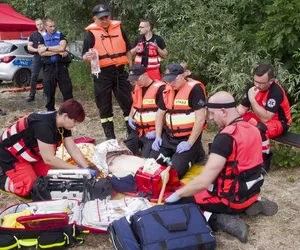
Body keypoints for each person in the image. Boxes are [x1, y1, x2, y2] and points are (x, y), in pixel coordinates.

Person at [165, 91, 278, 243]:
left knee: (182, 200)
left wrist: (179, 193)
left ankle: (219, 219)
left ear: (223, 111)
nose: (210, 118)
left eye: (212, 113)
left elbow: (204, 181)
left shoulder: (225, 138)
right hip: (251, 190)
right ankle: (252, 203)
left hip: (229, 199)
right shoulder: (254, 128)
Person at [0, 99, 95, 197]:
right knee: (31, 189)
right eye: (75, 121)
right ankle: (2, 179)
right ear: (65, 116)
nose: (75, 125)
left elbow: (73, 148)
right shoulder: (44, 125)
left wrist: (86, 167)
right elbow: (49, 159)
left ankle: (27, 171)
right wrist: (76, 170)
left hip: (33, 155)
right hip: (11, 155)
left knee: (48, 183)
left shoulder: (62, 124)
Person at [82, 3, 133, 140]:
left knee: (129, 104)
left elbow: (128, 50)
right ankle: (110, 140)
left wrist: (131, 69)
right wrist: (87, 58)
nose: (104, 21)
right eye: (101, 18)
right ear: (95, 19)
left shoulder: (119, 29)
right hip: (102, 74)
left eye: (106, 17)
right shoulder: (90, 35)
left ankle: (132, 138)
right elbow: (85, 57)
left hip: (120, 72)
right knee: (105, 107)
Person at [149, 64, 207, 179]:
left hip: (187, 138)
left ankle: (196, 152)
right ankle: (175, 155)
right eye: (168, 80)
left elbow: (200, 119)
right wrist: (158, 136)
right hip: (169, 137)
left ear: (182, 76)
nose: (171, 83)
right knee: (152, 165)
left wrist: (189, 143)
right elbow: (160, 114)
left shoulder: (195, 89)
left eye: (173, 80)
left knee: (176, 173)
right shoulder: (167, 90)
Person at [237, 64, 292, 138]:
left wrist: (252, 99)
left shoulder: (276, 91)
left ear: (271, 81)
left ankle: (264, 149)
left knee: (260, 129)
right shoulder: (252, 87)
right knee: (237, 121)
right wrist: (231, 116)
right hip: (260, 117)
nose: (257, 85)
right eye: (255, 81)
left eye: (261, 83)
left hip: (278, 122)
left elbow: (266, 118)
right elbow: (243, 108)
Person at [124, 64, 166, 157]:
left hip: (152, 132)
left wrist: (157, 132)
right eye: (133, 80)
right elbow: (134, 104)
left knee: (146, 159)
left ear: (146, 75)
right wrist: (130, 116)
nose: (136, 82)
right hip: (138, 130)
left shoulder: (160, 89)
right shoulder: (137, 88)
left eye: (137, 79)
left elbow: (165, 112)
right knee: (123, 152)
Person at [38, 18, 73, 111]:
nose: (53, 28)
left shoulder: (60, 35)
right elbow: (41, 53)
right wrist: (57, 51)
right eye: (50, 26)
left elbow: (62, 47)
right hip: (49, 67)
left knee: (67, 91)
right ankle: (50, 111)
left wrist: (47, 48)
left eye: (54, 26)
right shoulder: (41, 37)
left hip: (61, 66)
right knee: (49, 91)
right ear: (45, 27)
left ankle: (69, 111)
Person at [26, 18, 46, 102]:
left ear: (43, 23)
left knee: (47, 76)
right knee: (34, 76)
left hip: (47, 56)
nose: (39, 26)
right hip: (37, 56)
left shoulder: (48, 33)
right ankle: (31, 95)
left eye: (40, 24)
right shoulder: (34, 34)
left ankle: (47, 92)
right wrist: (36, 50)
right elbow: (29, 46)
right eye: (37, 25)